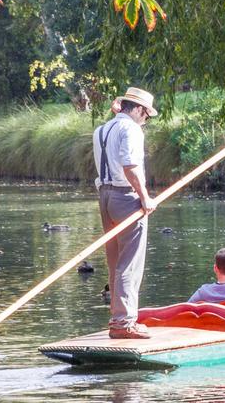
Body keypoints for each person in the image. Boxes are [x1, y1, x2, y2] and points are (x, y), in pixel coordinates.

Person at [94, 86, 159, 339]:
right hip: (125, 197)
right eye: (147, 115)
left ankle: (118, 319)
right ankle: (124, 323)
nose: (146, 121)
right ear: (140, 110)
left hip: (105, 197)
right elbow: (130, 166)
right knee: (129, 263)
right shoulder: (129, 128)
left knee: (115, 260)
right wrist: (145, 198)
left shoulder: (102, 129)